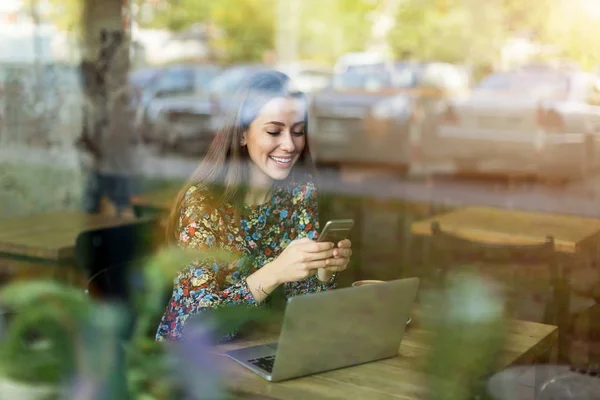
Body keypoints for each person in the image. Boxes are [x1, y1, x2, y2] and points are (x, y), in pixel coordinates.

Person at [156, 71, 352, 341]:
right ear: (241, 135)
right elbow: (199, 326)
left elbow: (303, 308)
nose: (289, 145)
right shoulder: (204, 203)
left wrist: (322, 270)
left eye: (298, 132)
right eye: (274, 131)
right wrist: (274, 272)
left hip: (258, 345)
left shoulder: (299, 191)